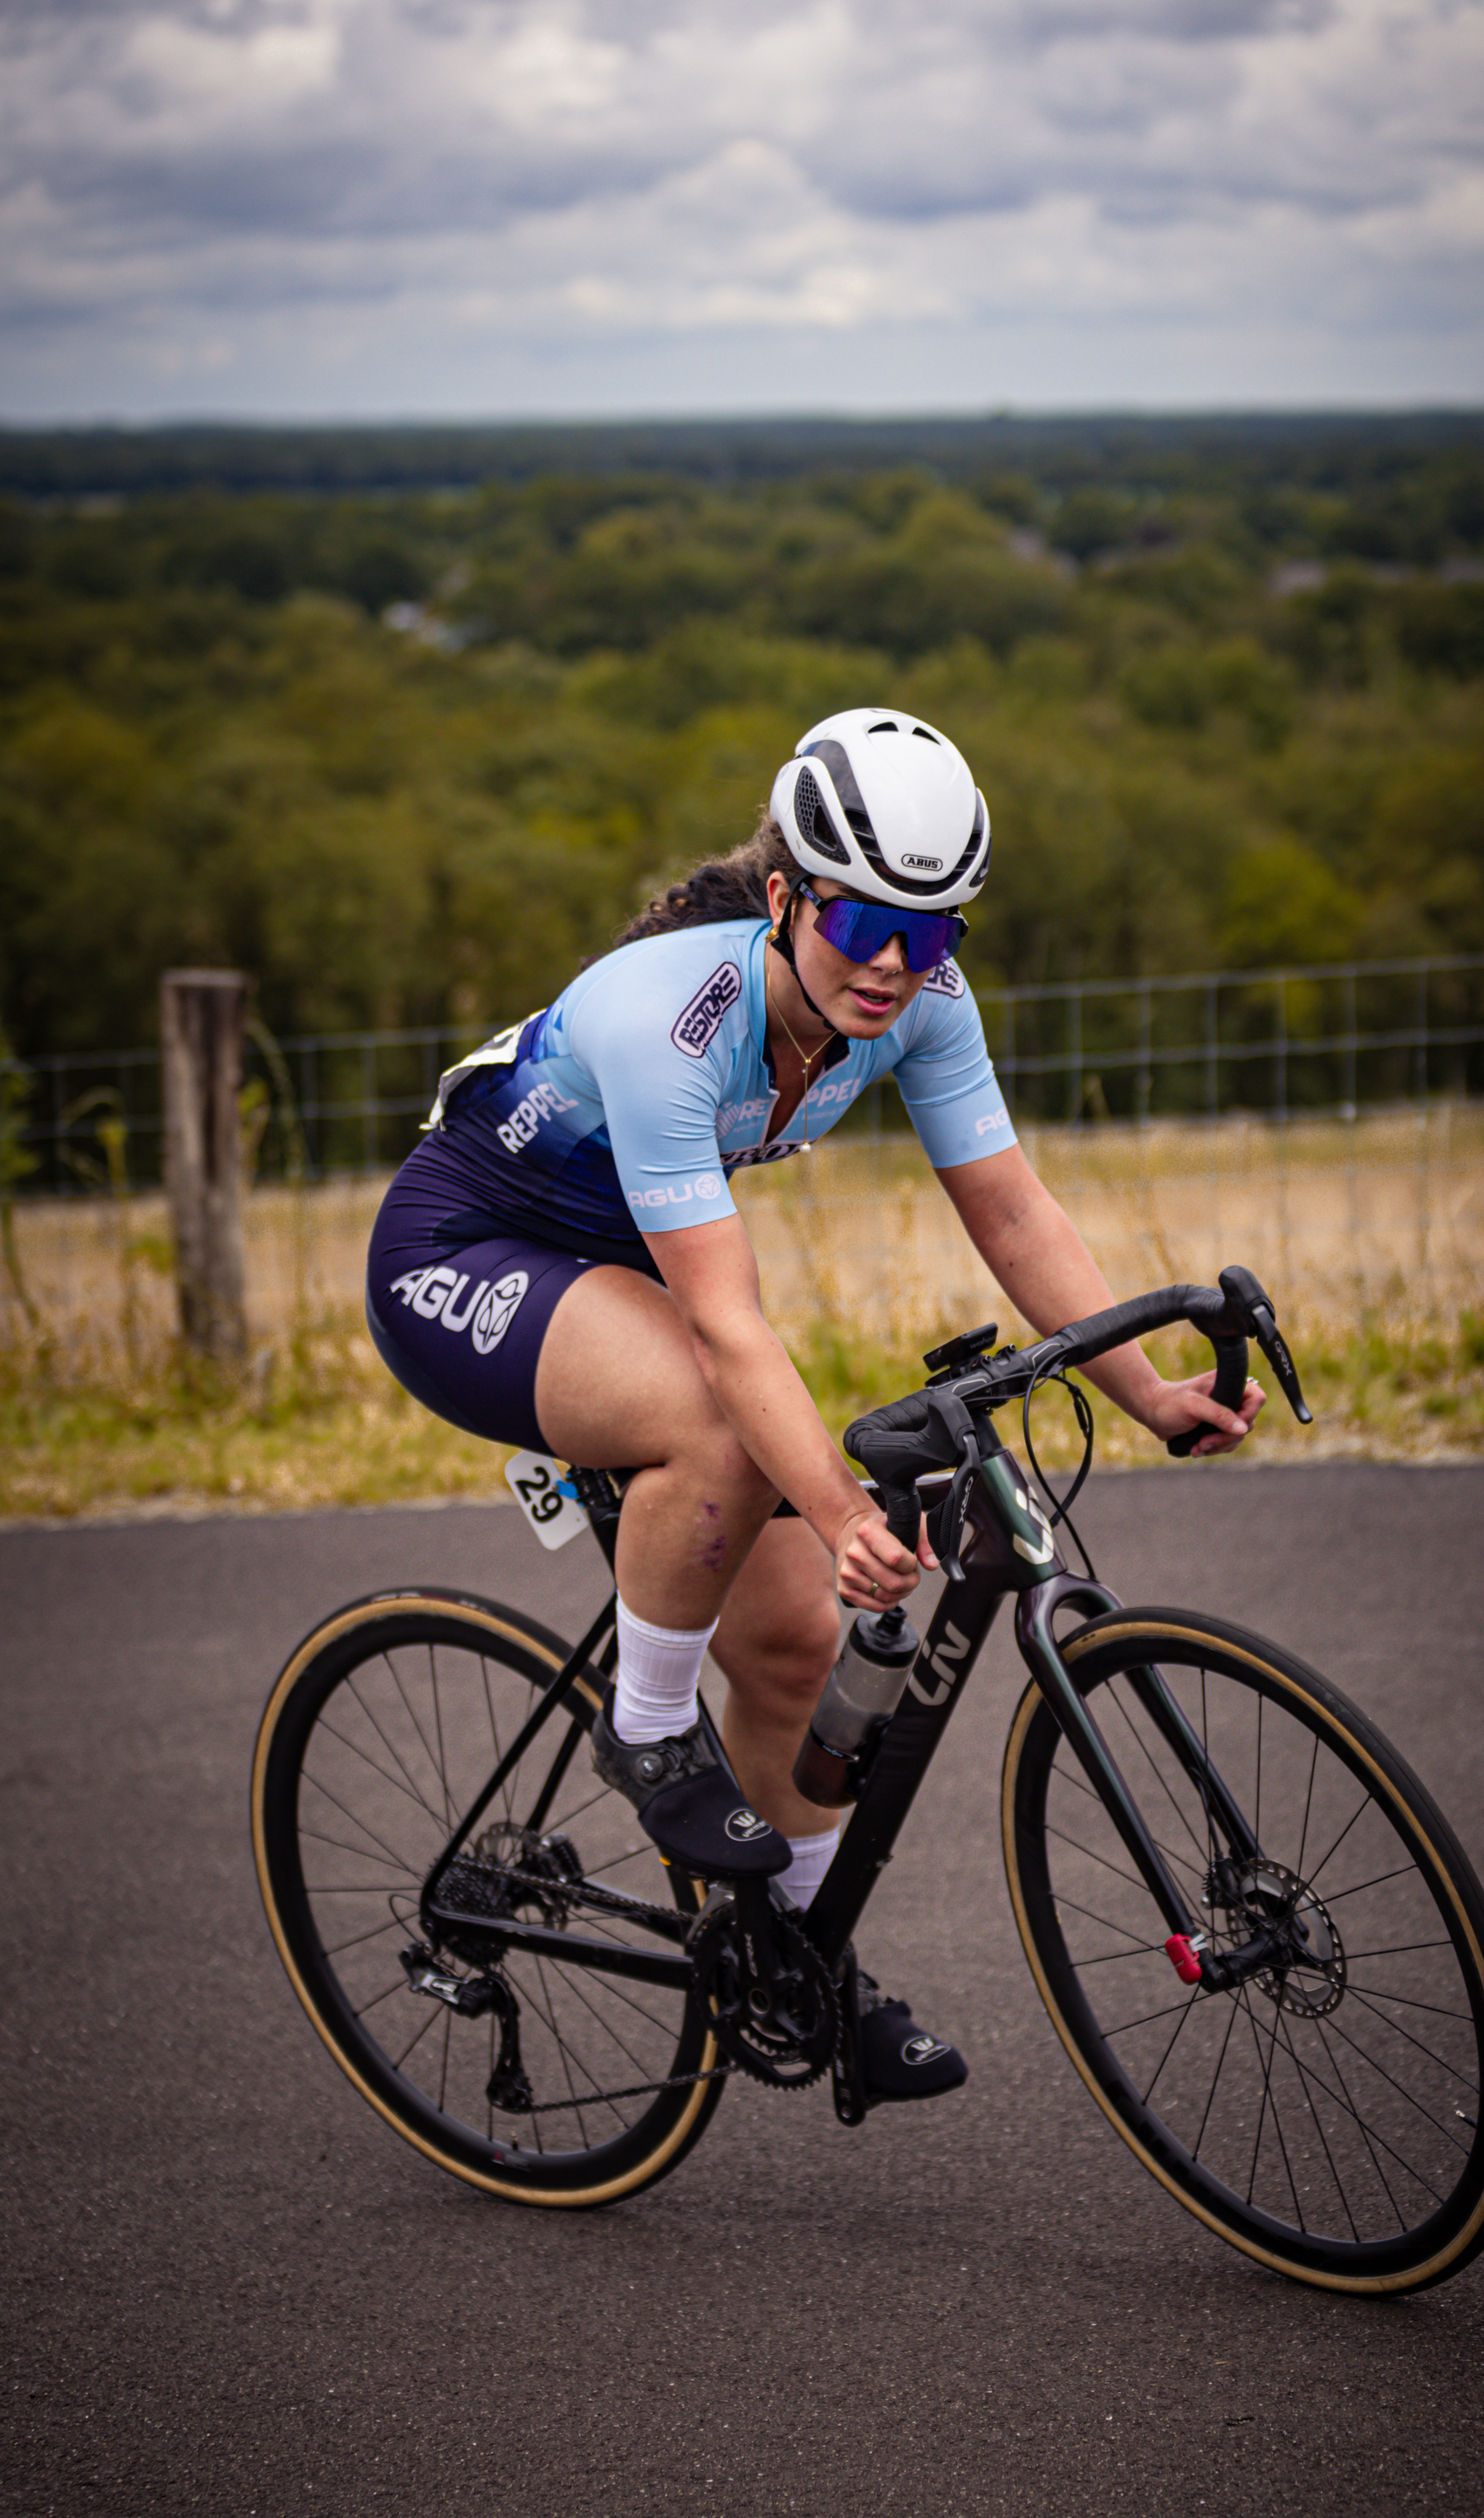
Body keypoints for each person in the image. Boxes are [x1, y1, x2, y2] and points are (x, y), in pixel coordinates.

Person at [366, 707, 1262, 2102]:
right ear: (785, 898)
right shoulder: (680, 1018)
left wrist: (1143, 1388)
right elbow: (727, 1329)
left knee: (793, 1649)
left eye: (937, 932)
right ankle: (647, 1724)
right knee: (718, 1423)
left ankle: (797, 1974)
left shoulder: (922, 1007)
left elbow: (1013, 1209)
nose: (899, 969)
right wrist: (841, 1507)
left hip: (624, 1277)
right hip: (467, 1259)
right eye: (865, 927)